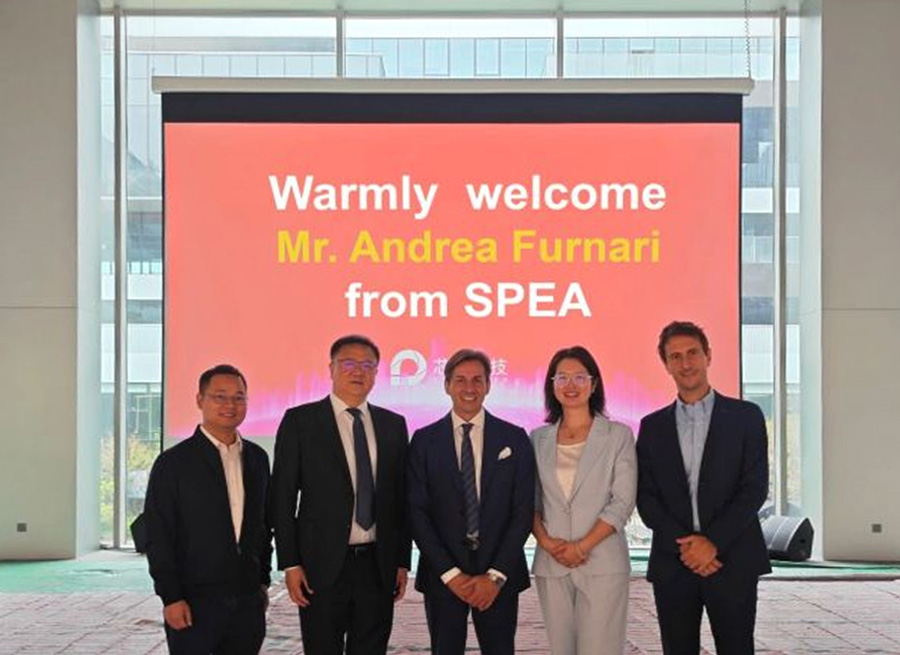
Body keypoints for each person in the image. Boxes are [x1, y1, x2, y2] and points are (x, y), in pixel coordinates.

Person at [270, 335, 411, 655]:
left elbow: (400, 500)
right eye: (348, 363)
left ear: (376, 372)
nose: (358, 371)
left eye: (367, 364)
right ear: (331, 368)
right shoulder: (301, 422)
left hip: (377, 565)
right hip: (320, 566)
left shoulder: (393, 425)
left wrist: (401, 561)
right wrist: (290, 563)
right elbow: (282, 498)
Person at [637, 321, 770, 655]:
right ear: (666, 364)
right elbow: (646, 497)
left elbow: (754, 488)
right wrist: (689, 548)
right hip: (674, 562)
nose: (686, 363)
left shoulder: (746, 417)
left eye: (693, 353)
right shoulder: (652, 427)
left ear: (708, 355)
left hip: (732, 560)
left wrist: (712, 543)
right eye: (675, 356)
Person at [407, 348, 536, 655]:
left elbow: (522, 511)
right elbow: (416, 512)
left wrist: (495, 576)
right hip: (443, 576)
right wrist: (451, 575)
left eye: (478, 380)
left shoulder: (514, 438)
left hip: (499, 576)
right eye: (460, 380)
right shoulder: (423, 441)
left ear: (488, 385)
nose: (469, 387)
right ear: (446, 385)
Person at [144, 364, 272, 655]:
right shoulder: (173, 464)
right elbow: (159, 534)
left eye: (239, 397)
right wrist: (171, 597)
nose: (230, 405)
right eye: (220, 396)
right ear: (200, 400)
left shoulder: (257, 459)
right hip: (193, 601)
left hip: (247, 600)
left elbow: (264, 526)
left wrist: (262, 582)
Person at [531, 346, 637, 655]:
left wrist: (581, 547)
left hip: (602, 561)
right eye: (562, 377)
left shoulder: (618, 435)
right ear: (552, 385)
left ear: (594, 384)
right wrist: (547, 543)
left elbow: (623, 501)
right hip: (552, 562)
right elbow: (529, 502)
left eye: (579, 377)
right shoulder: (538, 438)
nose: (571, 385)